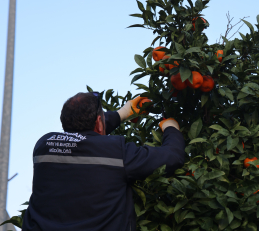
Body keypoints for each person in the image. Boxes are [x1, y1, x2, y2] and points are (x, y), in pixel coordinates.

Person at [22, 92, 185, 231]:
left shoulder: (44, 145)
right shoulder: (115, 152)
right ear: (99, 123)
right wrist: (171, 128)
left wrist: (123, 113)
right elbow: (172, 156)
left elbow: (84, 134)